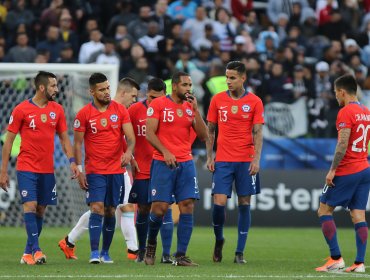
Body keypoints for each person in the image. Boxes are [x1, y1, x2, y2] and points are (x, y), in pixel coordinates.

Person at [0, 71, 79, 265]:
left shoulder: (57, 110)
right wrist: (2, 171)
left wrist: (72, 161)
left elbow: (63, 138)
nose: (57, 89)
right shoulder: (21, 109)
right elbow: (8, 141)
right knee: (30, 205)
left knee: (41, 210)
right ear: (42, 87)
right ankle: (37, 250)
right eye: (53, 86)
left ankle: (28, 253)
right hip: (26, 166)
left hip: (47, 168)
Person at [58, 77, 140, 260]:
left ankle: (104, 252)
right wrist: (79, 169)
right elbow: (77, 144)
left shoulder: (120, 110)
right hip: (95, 171)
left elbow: (131, 138)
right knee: (97, 207)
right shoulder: (84, 114)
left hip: (117, 170)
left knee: (111, 210)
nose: (106, 92)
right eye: (102, 89)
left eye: (107, 88)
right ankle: (95, 253)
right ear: (92, 92)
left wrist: (128, 153)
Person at [144, 71, 208, 266]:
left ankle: (181, 255)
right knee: (160, 209)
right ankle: (151, 244)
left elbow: (204, 135)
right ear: (174, 86)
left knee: (187, 205)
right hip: (162, 162)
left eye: (190, 85)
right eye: (185, 85)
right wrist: (165, 152)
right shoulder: (159, 104)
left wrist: (196, 111)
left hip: (186, 162)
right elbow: (149, 133)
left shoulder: (191, 107)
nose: (189, 88)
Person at [206, 61, 264, 264]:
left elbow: (258, 132)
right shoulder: (217, 100)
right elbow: (210, 129)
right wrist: (209, 155)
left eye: (232, 78)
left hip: (246, 160)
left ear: (243, 78)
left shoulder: (255, 101)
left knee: (244, 203)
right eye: (227, 77)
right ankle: (219, 239)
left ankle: (240, 251)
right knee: (218, 203)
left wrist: (256, 159)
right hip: (223, 159)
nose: (228, 81)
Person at [315, 74, 370, 273]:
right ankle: (359, 263)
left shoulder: (346, 112)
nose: (335, 97)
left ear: (342, 92)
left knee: (324, 210)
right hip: (364, 168)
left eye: (335, 93)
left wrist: (332, 170)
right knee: (358, 215)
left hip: (347, 169)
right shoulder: (366, 111)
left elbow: (343, 143)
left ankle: (336, 258)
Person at [128, 78, 174, 263]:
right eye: (151, 97)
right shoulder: (134, 110)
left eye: (158, 97)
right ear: (146, 93)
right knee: (144, 209)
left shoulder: (169, 109)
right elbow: (124, 135)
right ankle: (142, 250)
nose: (154, 101)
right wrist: (130, 156)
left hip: (162, 166)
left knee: (165, 209)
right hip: (142, 167)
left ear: (164, 94)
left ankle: (166, 254)